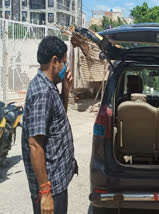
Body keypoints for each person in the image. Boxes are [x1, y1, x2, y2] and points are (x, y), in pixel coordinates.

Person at [22, 36, 78, 214]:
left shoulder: (50, 86)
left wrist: (66, 90)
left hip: (57, 181)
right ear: (55, 61)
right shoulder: (42, 92)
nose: (65, 67)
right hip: (51, 187)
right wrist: (45, 192)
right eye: (64, 62)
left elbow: (59, 119)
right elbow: (35, 144)